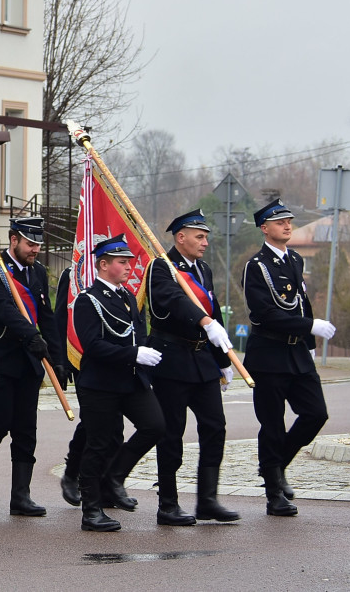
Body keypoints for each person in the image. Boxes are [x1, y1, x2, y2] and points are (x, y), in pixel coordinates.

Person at [146, 210, 239, 525]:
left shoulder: (204, 270)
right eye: (199, 236)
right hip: (172, 360)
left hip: (202, 361)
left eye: (206, 236)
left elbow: (213, 312)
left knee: (215, 427)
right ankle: (168, 503)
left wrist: (224, 359)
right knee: (171, 433)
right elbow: (173, 300)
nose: (205, 242)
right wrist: (205, 322)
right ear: (180, 236)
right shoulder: (161, 267)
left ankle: (208, 500)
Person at [242, 199, 334, 517]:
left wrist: (308, 340)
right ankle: (274, 493)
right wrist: (311, 326)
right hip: (268, 354)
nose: (287, 225)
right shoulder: (257, 266)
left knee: (315, 413)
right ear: (265, 228)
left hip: (296, 353)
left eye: (289, 220)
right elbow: (264, 315)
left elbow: (301, 302)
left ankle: (276, 466)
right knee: (272, 425)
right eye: (280, 221)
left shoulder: (294, 259)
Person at [0, 217, 61, 517]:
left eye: (38, 245)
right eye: (30, 244)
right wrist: (32, 336)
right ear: (14, 239)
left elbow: (47, 316)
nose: (35, 250)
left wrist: (58, 360)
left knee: (25, 430)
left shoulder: (39, 273)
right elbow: (3, 309)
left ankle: (21, 496)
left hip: (29, 363)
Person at [72, 235, 166, 532]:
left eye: (129, 261)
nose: (129, 266)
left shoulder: (126, 297)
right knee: (98, 443)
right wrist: (133, 353)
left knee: (155, 426)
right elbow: (93, 346)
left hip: (131, 380)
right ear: (103, 265)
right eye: (122, 262)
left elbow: (137, 335)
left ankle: (115, 476)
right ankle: (92, 510)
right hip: (100, 384)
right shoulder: (89, 300)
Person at [54, 267, 87, 507]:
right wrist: (62, 360)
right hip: (83, 357)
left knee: (114, 426)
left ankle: (105, 482)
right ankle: (72, 473)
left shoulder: (125, 268)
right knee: (93, 420)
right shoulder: (74, 272)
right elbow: (61, 317)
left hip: (121, 358)